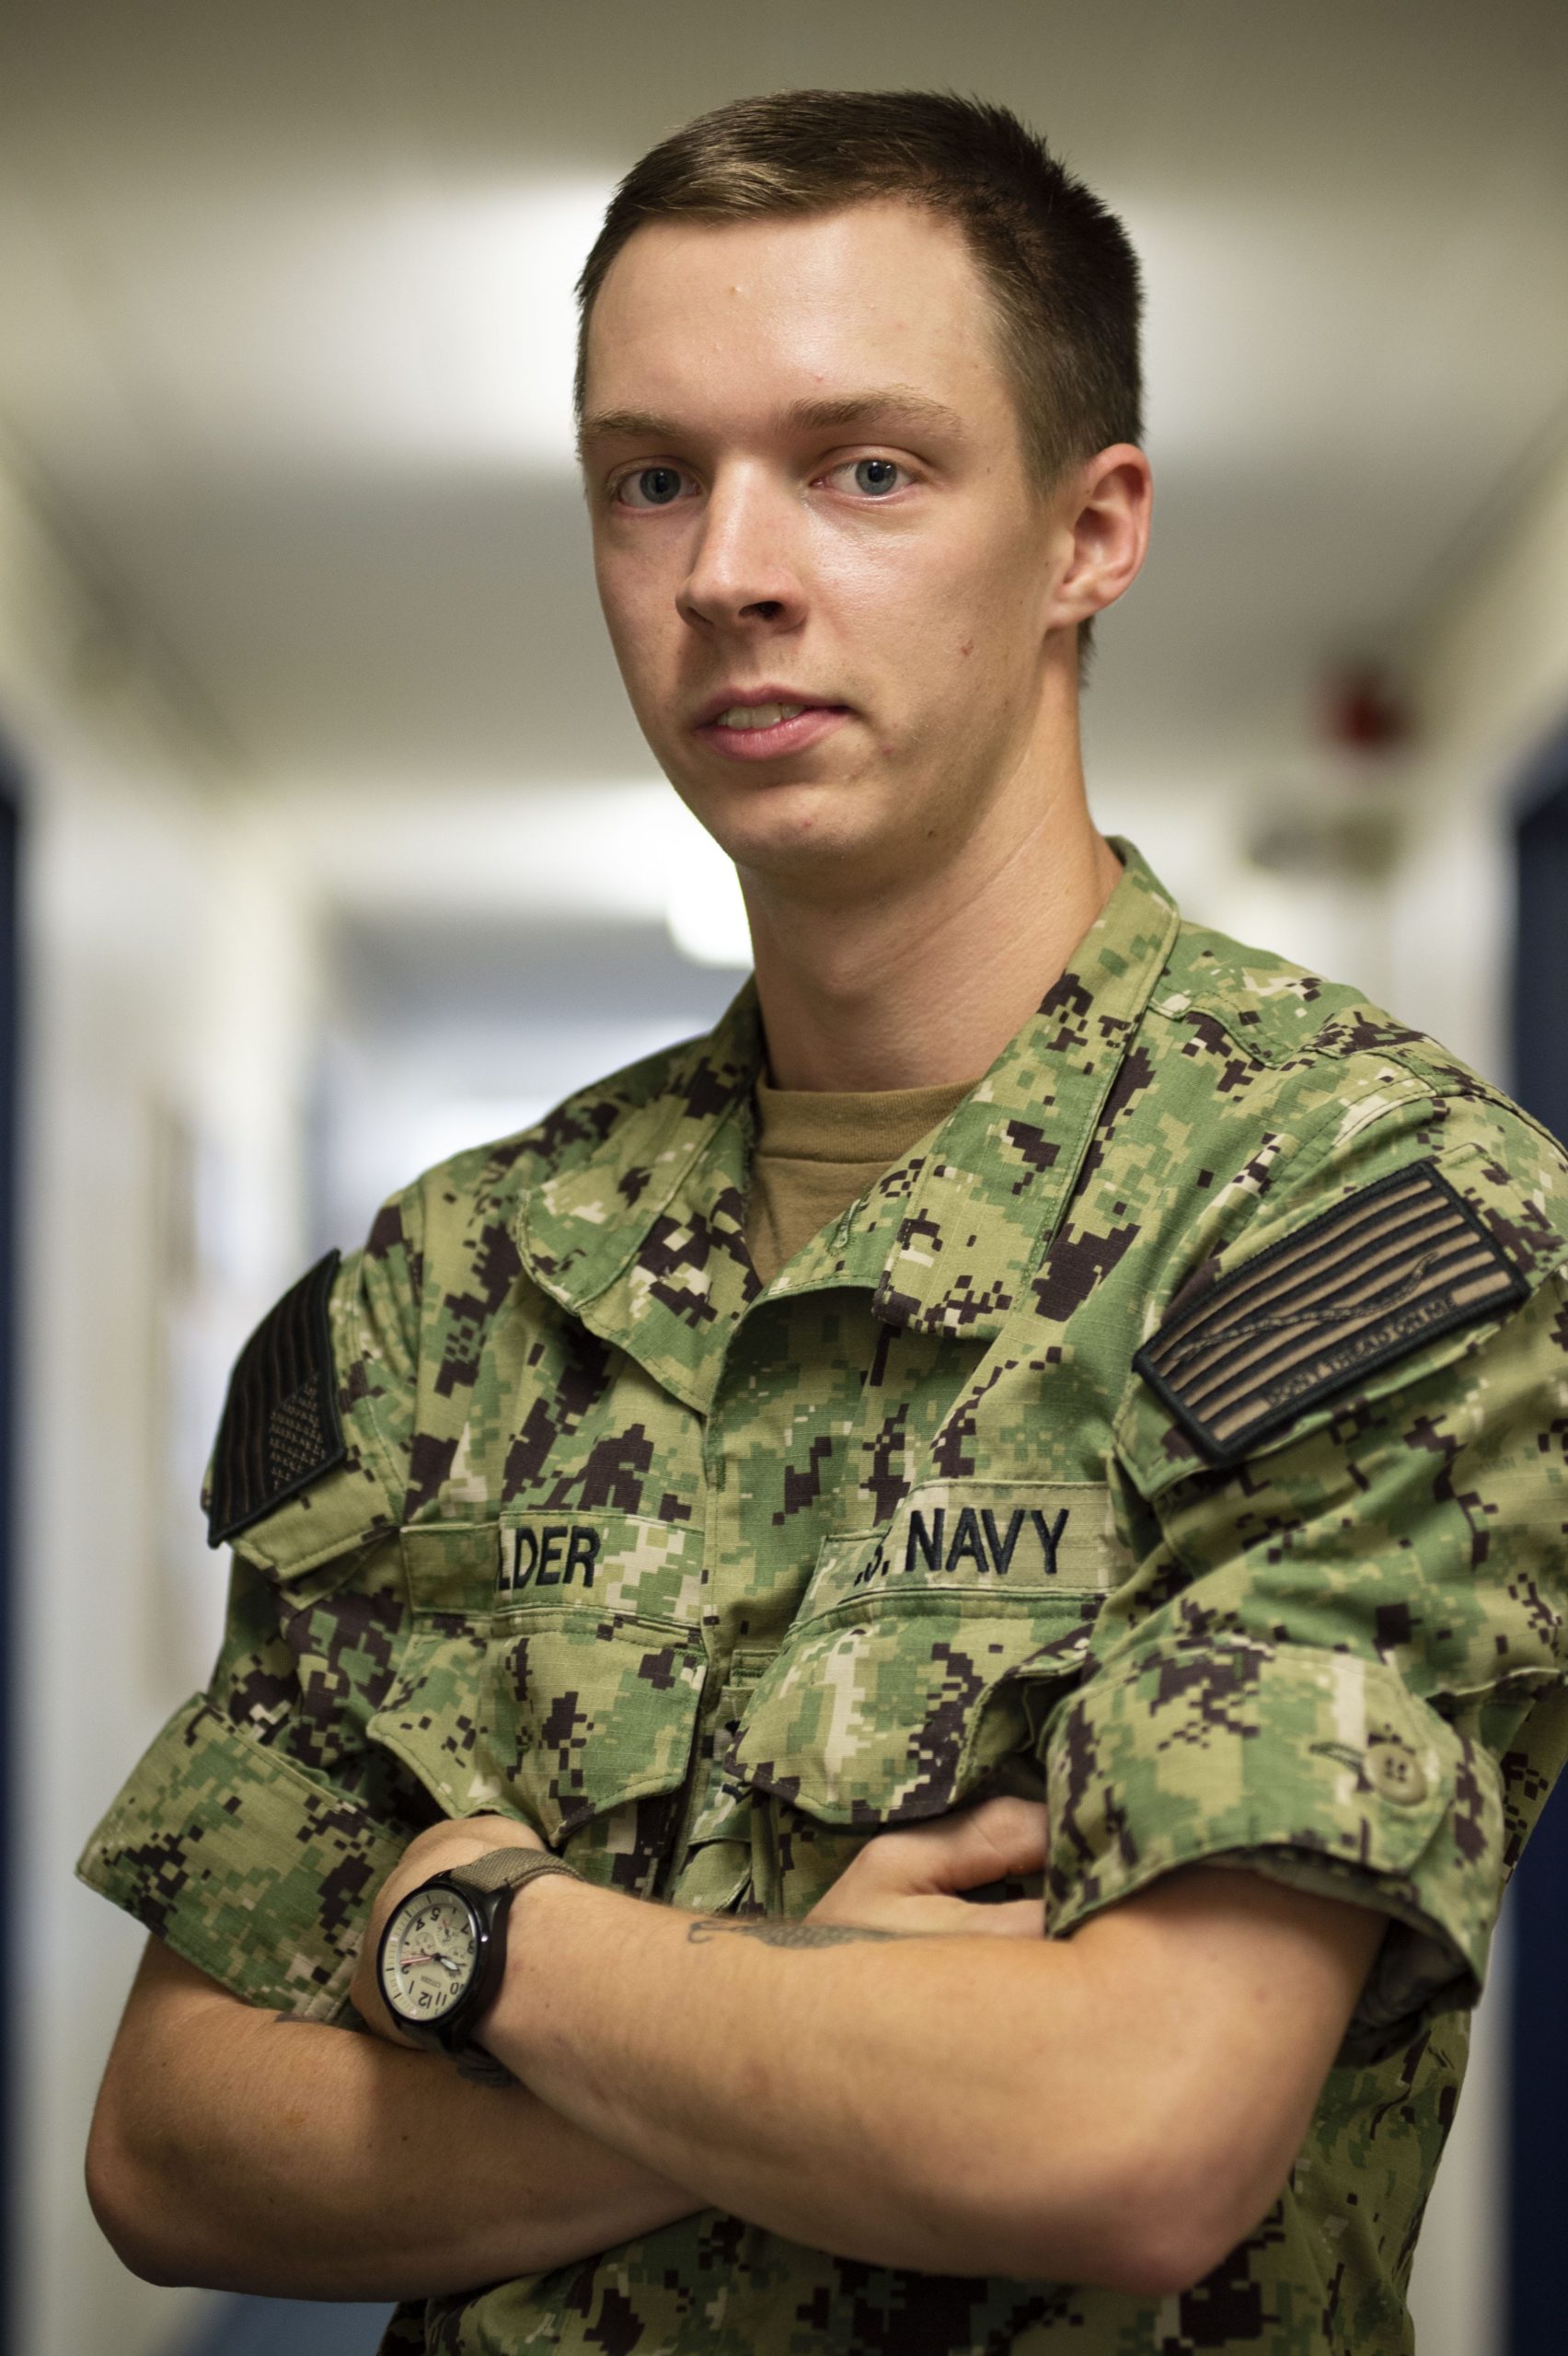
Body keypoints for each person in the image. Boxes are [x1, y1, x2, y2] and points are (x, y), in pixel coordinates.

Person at [80, 88, 1568, 2356]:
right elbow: (175, 2144)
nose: (729, 570)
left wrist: (483, 1944)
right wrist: (822, 2026)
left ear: (1090, 532)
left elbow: (1129, 2133)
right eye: (651, 477)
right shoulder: (455, 1280)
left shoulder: (1352, 1214)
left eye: (865, 468)